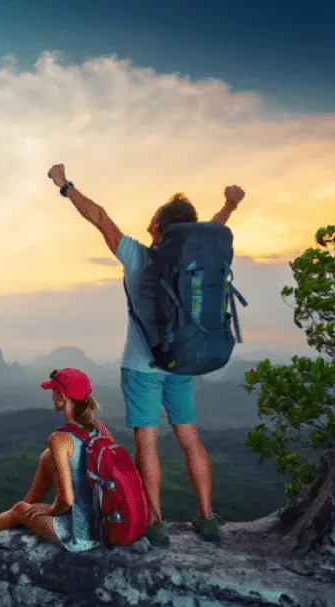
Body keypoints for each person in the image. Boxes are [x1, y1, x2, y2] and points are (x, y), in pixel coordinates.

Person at [45, 163, 246, 546]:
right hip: (184, 358)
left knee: (147, 442)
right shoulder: (195, 263)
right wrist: (230, 206)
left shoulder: (137, 257)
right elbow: (215, 232)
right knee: (190, 438)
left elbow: (100, 217)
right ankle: (206, 517)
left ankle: (155, 522)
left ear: (157, 228)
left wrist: (65, 185)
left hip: (142, 367)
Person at [0, 367, 114, 551]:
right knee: (47, 457)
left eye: (54, 391)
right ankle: (22, 515)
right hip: (104, 525)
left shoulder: (60, 439)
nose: (52, 396)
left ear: (63, 396)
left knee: (20, 509)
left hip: (82, 536)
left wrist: (50, 510)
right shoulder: (102, 430)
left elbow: (66, 499)